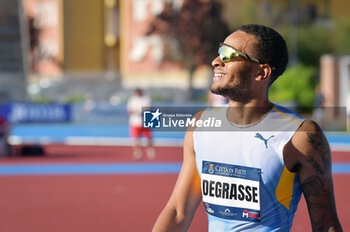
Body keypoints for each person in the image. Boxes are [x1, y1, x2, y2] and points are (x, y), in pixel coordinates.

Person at [152, 24, 342, 231]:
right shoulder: (201, 125)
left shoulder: (300, 135)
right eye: (219, 52)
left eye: (228, 54)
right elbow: (179, 211)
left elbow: (326, 226)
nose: (215, 61)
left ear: (261, 72)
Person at [127, 88, 156, 160]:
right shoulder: (132, 100)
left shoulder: (146, 99)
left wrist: (142, 112)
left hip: (145, 122)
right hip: (135, 122)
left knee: (149, 138)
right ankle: (138, 153)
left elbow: (149, 109)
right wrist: (136, 112)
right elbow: (129, 111)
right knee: (136, 139)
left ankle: (150, 151)